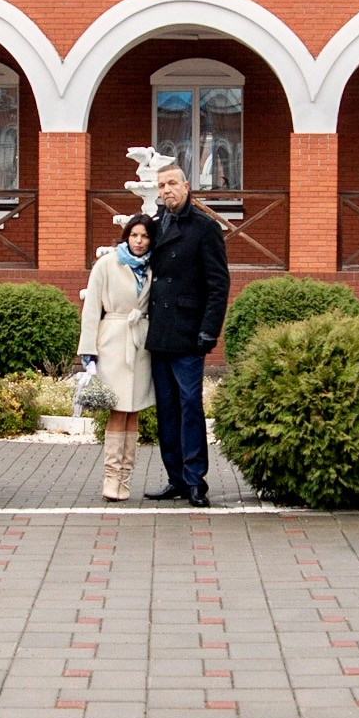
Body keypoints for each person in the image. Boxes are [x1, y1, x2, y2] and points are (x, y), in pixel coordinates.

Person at [141, 161, 229, 506]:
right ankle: (175, 478)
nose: (166, 191)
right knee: (166, 409)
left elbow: (218, 284)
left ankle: (195, 481)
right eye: (161, 186)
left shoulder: (205, 228)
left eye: (172, 184)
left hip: (190, 333)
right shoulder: (154, 226)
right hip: (160, 333)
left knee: (190, 406)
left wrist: (210, 330)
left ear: (187, 185)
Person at [77, 214, 155, 502]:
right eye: (134, 235)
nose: (138, 241)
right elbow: (91, 308)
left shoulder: (152, 267)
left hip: (140, 344)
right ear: (126, 236)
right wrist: (89, 353)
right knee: (117, 409)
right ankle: (111, 477)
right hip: (112, 341)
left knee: (133, 410)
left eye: (144, 236)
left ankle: (125, 478)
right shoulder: (107, 264)